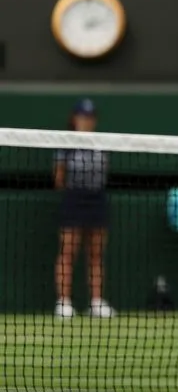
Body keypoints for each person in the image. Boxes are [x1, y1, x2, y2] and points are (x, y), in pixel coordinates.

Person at [54, 99, 115, 319]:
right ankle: (63, 303)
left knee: (96, 254)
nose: (86, 121)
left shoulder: (101, 143)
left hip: (97, 200)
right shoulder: (66, 144)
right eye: (82, 116)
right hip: (73, 200)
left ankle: (97, 303)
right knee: (68, 252)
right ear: (74, 119)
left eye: (90, 117)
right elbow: (59, 177)